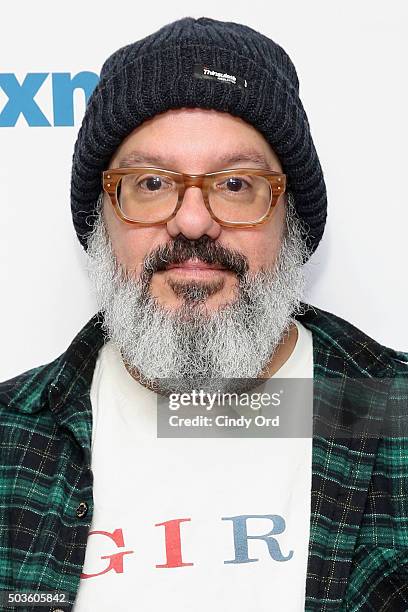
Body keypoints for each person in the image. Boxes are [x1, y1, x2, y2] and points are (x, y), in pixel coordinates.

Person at [1, 16, 407, 612]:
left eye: (237, 183)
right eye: (151, 183)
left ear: (290, 218)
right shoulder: (11, 442)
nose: (193, 221)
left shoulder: (395, 413)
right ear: (100, 224)